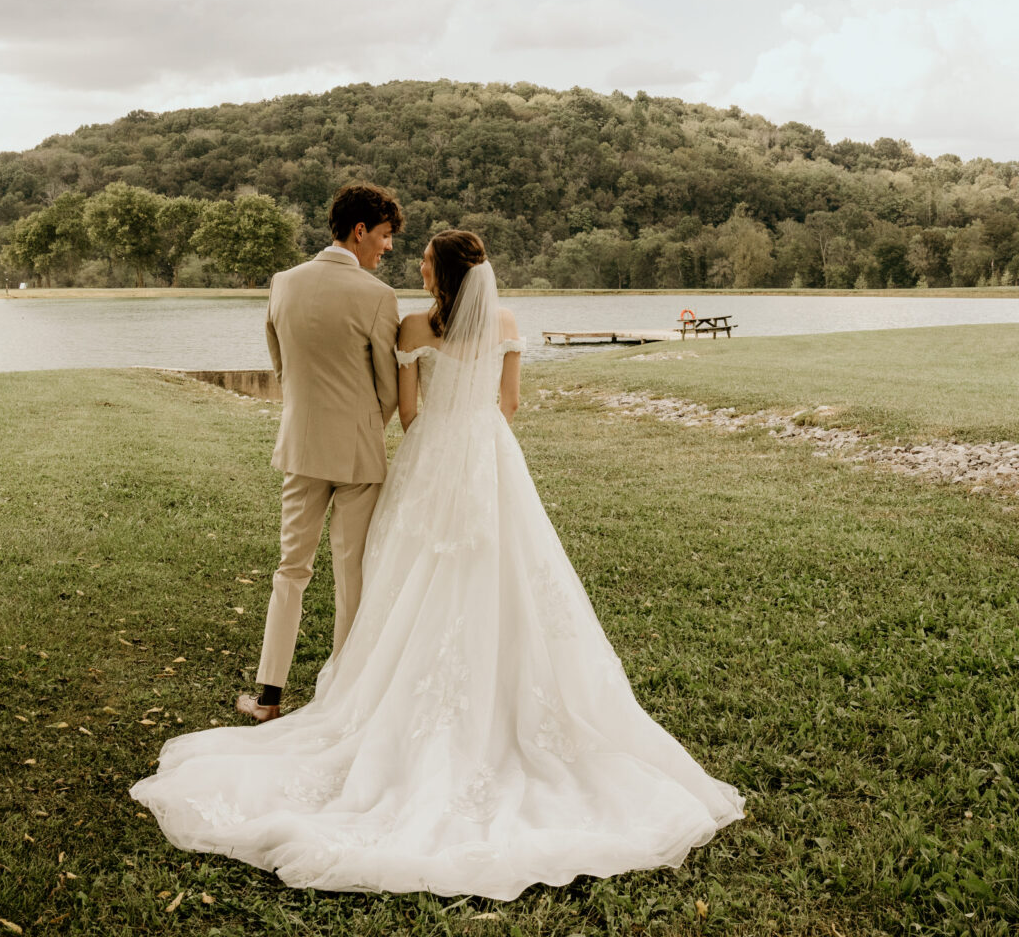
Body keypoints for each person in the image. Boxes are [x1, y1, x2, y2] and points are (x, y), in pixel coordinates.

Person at [131, 230, 743, 900]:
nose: (413, 264)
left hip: (430, 459)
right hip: (488, 458)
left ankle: (365, 693)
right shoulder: (505, 322)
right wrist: (474, 431)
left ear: (439, 274)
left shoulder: (412, 322)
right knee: (507, 573)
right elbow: (508, 407)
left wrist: (430, 437)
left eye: (422, 259)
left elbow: (411, 411)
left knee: (407, 575)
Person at [234, 182, 402, 723]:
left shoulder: (283, 284)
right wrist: (361, 426)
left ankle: (267, 696)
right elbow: (390, 389)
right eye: (384, 236)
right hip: (357, 454)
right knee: (351, 572)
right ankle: (343, 700)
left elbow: (281, 368)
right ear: (360, 231)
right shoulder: (378, 296)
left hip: (300, 448)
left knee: (291, 570)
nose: (387, 247)